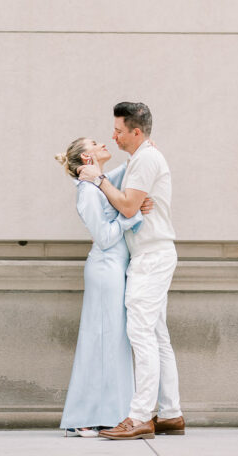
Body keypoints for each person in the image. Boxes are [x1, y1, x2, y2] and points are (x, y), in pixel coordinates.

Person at [77, 102, 185, 440]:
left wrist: (98, 179)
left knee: (141, 334)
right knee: (156, 336)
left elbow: (126, 205)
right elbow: (130, 202)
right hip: (153, 254)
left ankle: (139, 416)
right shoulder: (140, 159)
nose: (114, 136)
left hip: (151, 258)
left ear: (136, 132)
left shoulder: (145, 159)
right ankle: (170, 413)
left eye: (119, 131)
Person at [55, 137, 150, 437]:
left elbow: (129, 169)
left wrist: (144, 146)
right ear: (86, 157)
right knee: (100, 341)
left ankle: (111, 413)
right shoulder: (87, 192)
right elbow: (105, 237)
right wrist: (132, 216)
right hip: (105, 271)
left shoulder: (100, 182)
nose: (105, 142)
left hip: (115, 270)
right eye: (96, 143)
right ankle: (85, 415)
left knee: (114, 343)